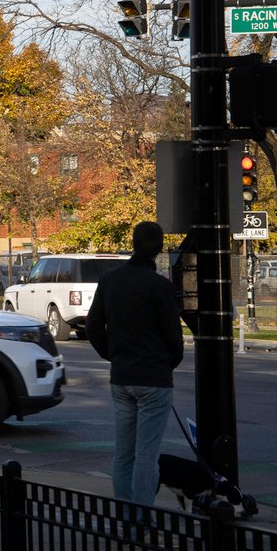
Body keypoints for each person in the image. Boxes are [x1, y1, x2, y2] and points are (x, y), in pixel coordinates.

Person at [86, 220, 184, 525]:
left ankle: (125, 515)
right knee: (146, 455)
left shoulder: (110, 280)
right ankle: (142, 520)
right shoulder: (160, 286)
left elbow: (92, 327)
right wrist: (168, 363)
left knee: (124, 452)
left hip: (122, 376)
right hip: (153, 378)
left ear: (133, 242)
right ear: (159, 249)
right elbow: (173, 337)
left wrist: (112, 355)